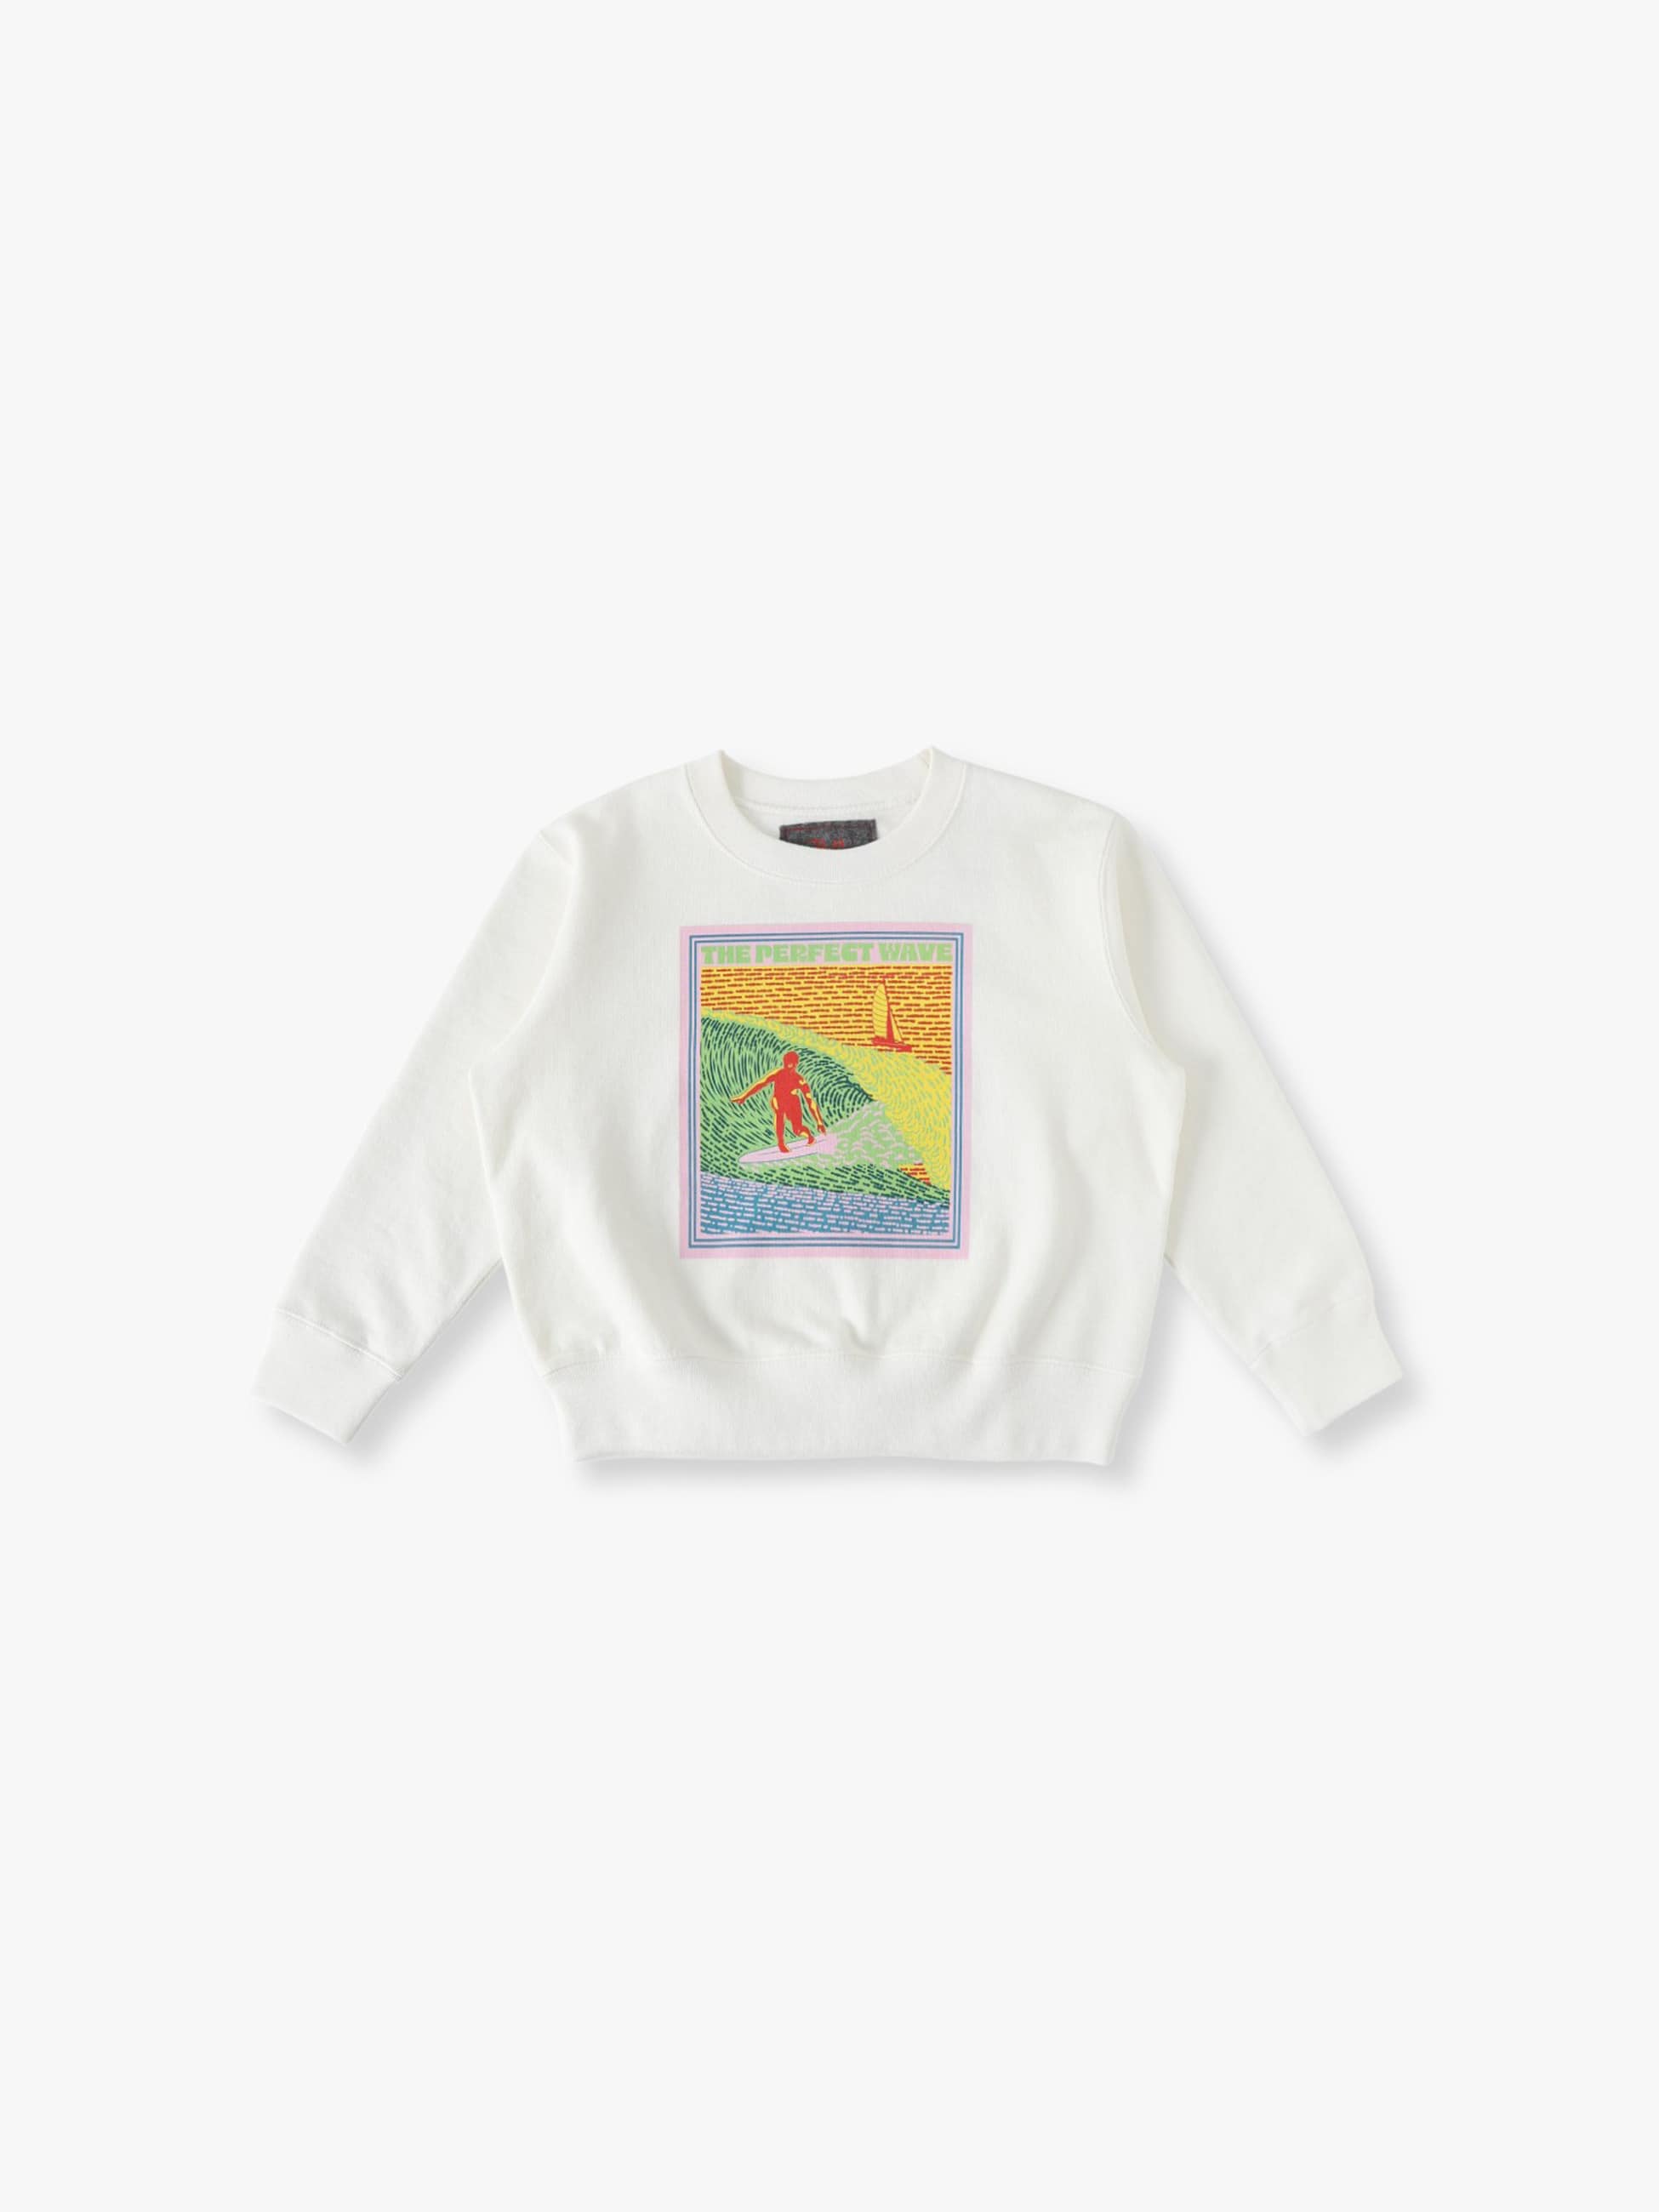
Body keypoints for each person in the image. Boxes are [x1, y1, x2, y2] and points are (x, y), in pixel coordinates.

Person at [732, 1049, 827, 1154]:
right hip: (778, 1099)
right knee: (778, 1109)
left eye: (790, 1064)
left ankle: (809, 1137)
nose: (787, 1067)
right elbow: (761, 1084)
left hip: (793, 1103)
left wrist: (819, 1121)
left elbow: (810, 1102)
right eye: (786, 1064)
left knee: (797, 1130)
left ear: (796, 1064)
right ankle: (781, 1143)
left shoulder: (799, 1080)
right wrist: (744, 1096)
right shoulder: (778, 1073)